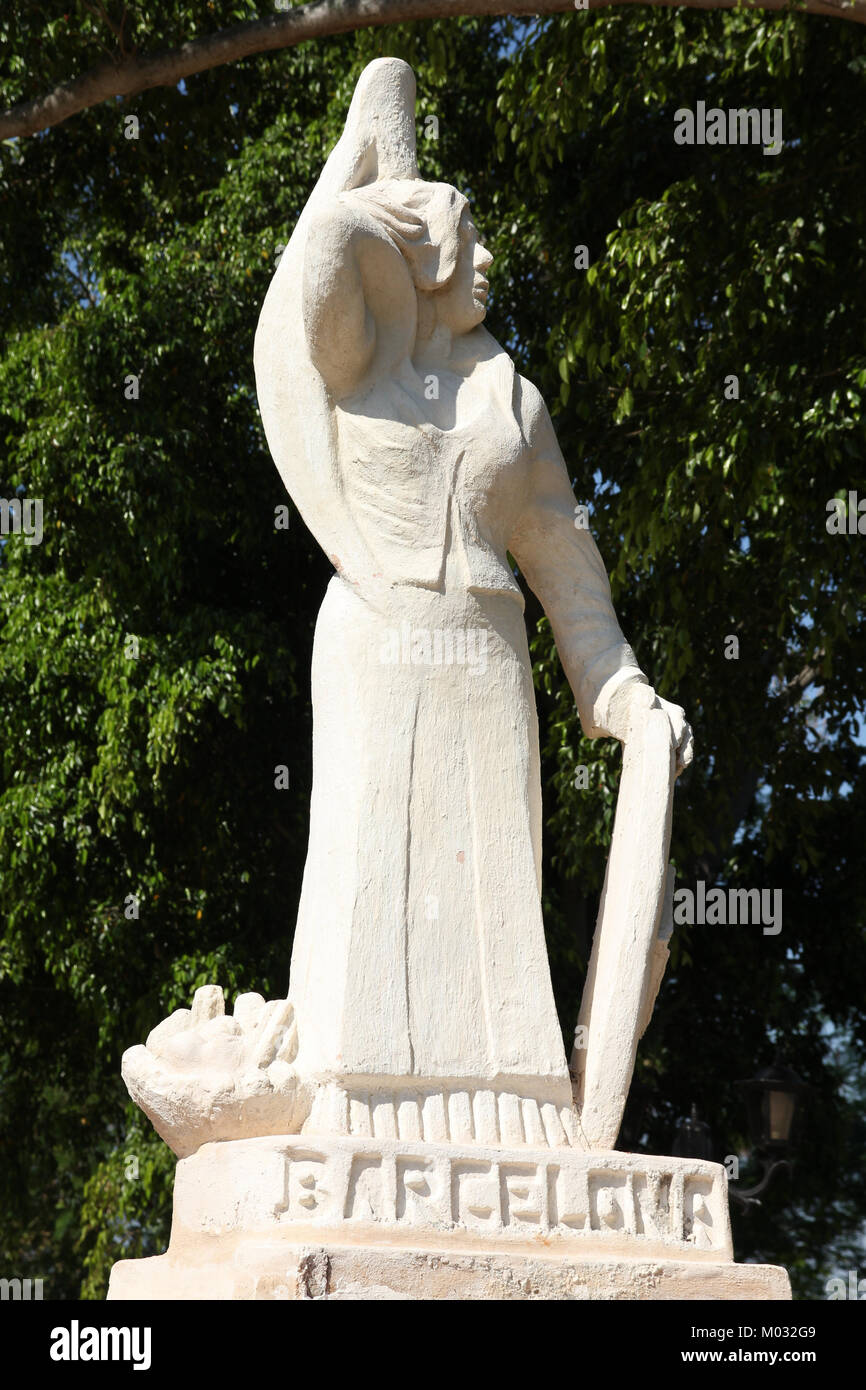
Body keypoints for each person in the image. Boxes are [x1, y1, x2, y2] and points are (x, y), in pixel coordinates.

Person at [254, 60, 692, 1148]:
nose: (490, 256)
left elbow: (568, 573)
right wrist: (384, 173)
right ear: (421, 256)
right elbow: (317, 263)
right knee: (369, 888)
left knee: (489, 902)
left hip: (488, 663)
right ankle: (353, 1103)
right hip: (376, 641)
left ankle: (512, 1114)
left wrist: (625, 693)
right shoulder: (354, 367)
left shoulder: (515, 405)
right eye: (470, 236)